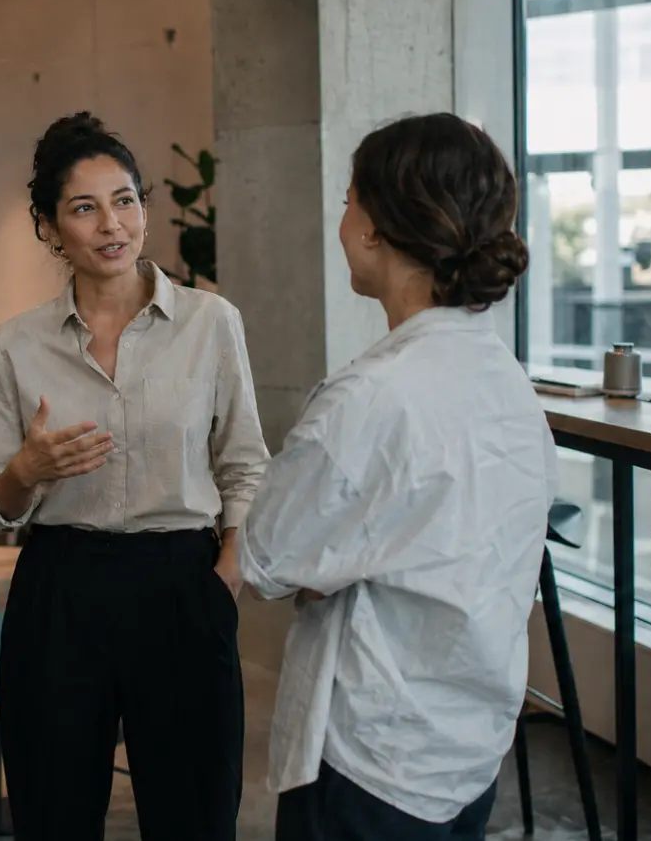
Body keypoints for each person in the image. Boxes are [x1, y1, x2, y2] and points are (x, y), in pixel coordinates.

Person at [238, 112, 554, 841]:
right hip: (469, 741)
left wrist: (339, 564)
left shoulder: (370, 397)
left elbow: (269, 556)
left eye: (349, 201)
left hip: (372, 751)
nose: (342, 221)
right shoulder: (505, 379)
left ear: (376, 226)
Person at [0, 112, 269, 841]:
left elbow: (245, 463)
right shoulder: (17, 344)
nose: (113, 224)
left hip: (182, 583)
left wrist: (225, 572)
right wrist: (26, 471)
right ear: (49, 226)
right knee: (53, 810)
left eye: (126, 200)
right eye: (84, 207)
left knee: (193, 814)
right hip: (61, 588)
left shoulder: (211, 322)